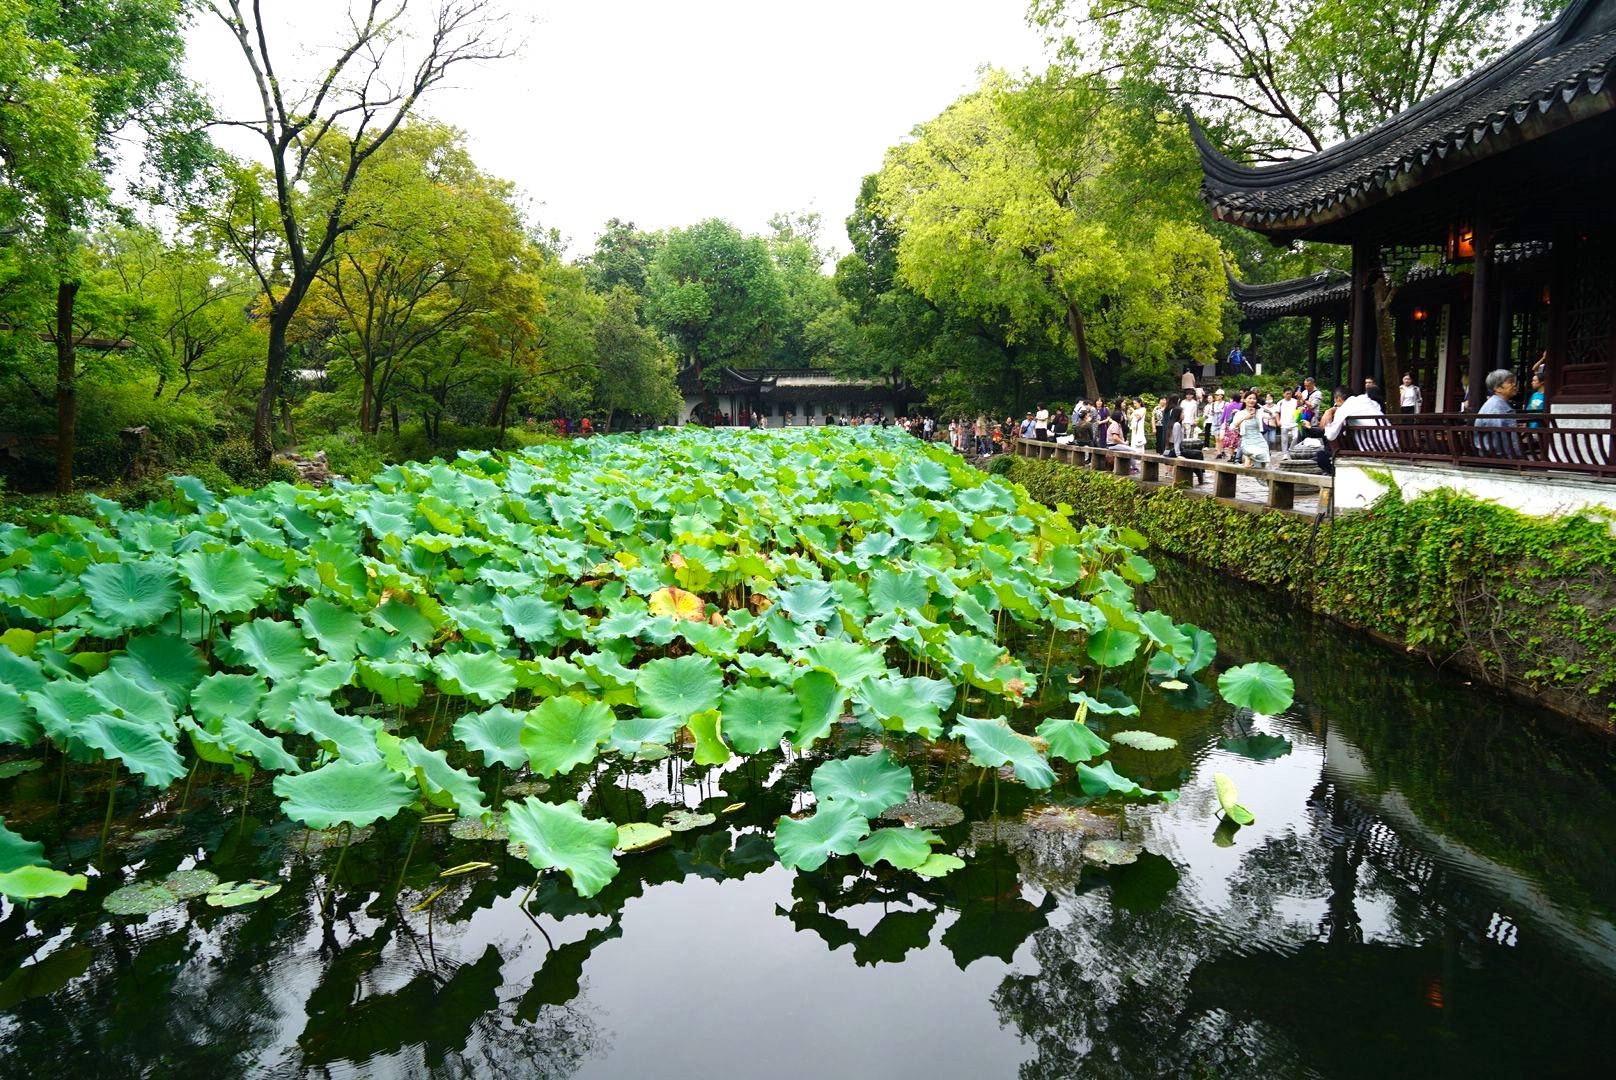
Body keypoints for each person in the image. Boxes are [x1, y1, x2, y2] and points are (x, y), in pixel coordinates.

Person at [1318, 384, 1388, 474]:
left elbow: (1330, 436)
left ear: (1338, 398)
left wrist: (1328, 422)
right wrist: (1332, 410)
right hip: (1392, 445)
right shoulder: (1365, 400)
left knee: (1321, 455)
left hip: (1373, 449)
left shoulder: (1343, 409)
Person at [1475, 368, 1520, 456]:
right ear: (1498, 388)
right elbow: (1499, 437)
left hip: (1492, 454)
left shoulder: (1496, 403)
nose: (1514, 384)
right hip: (1498, 456)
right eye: (1510, 382)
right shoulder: (1497, 407)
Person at [1236, 392, 1270, 466]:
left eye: (1254, 399)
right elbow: (1232, 426)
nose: (1252, 400)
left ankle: (1250, 462)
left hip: (1260, 440)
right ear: (1244, 400)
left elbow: (1271, 416)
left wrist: (1269, 411)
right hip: (1247, 441)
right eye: (1250, 398)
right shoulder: (1240, 413)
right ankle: (1248, 458)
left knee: (1264, 462)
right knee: (1258, 454)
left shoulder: (1259, 412)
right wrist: (1245, 418)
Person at [1278, 388, 1299, 453]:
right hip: (1284, 423)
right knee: (1284, 440)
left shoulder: (1295, 401)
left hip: (1294, 423)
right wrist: (1278, 421)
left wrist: (1299, 398)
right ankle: (1284, 453)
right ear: (1284, 394)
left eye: (1290, 393)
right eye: (1287, 394)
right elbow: (1277, 413)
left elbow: (1300, 407)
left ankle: (1291, 449)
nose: (1289, 395)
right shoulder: (1280, 402)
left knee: (1296, 437)